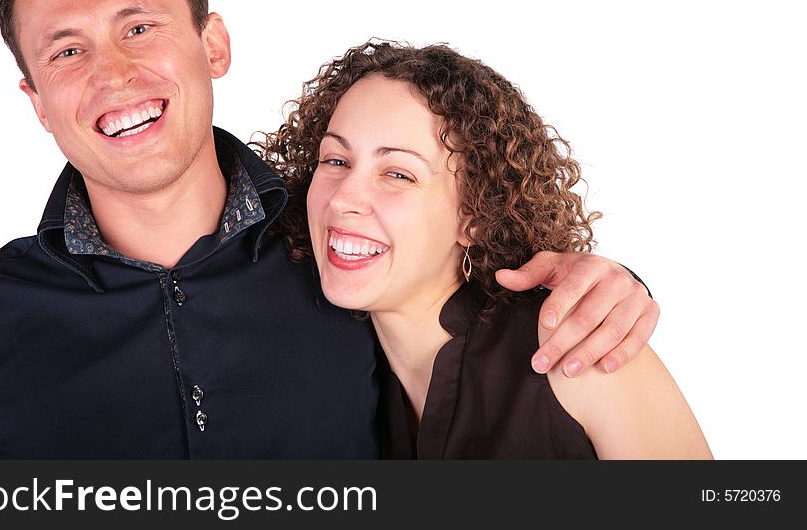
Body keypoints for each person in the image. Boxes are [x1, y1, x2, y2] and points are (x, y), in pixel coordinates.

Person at [0, 0, 657, 459]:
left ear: (213, 44)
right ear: (37, 105)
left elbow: (476, 289)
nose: (113, 73)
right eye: (66, 50)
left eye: (139, 28)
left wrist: (611, 281)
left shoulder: (346, 256)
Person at [254, 40, 711, 458]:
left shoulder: (577, 351)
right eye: (335, 161)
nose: (342, 199)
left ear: (474, 214)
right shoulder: (334, 374)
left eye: (398, 173)